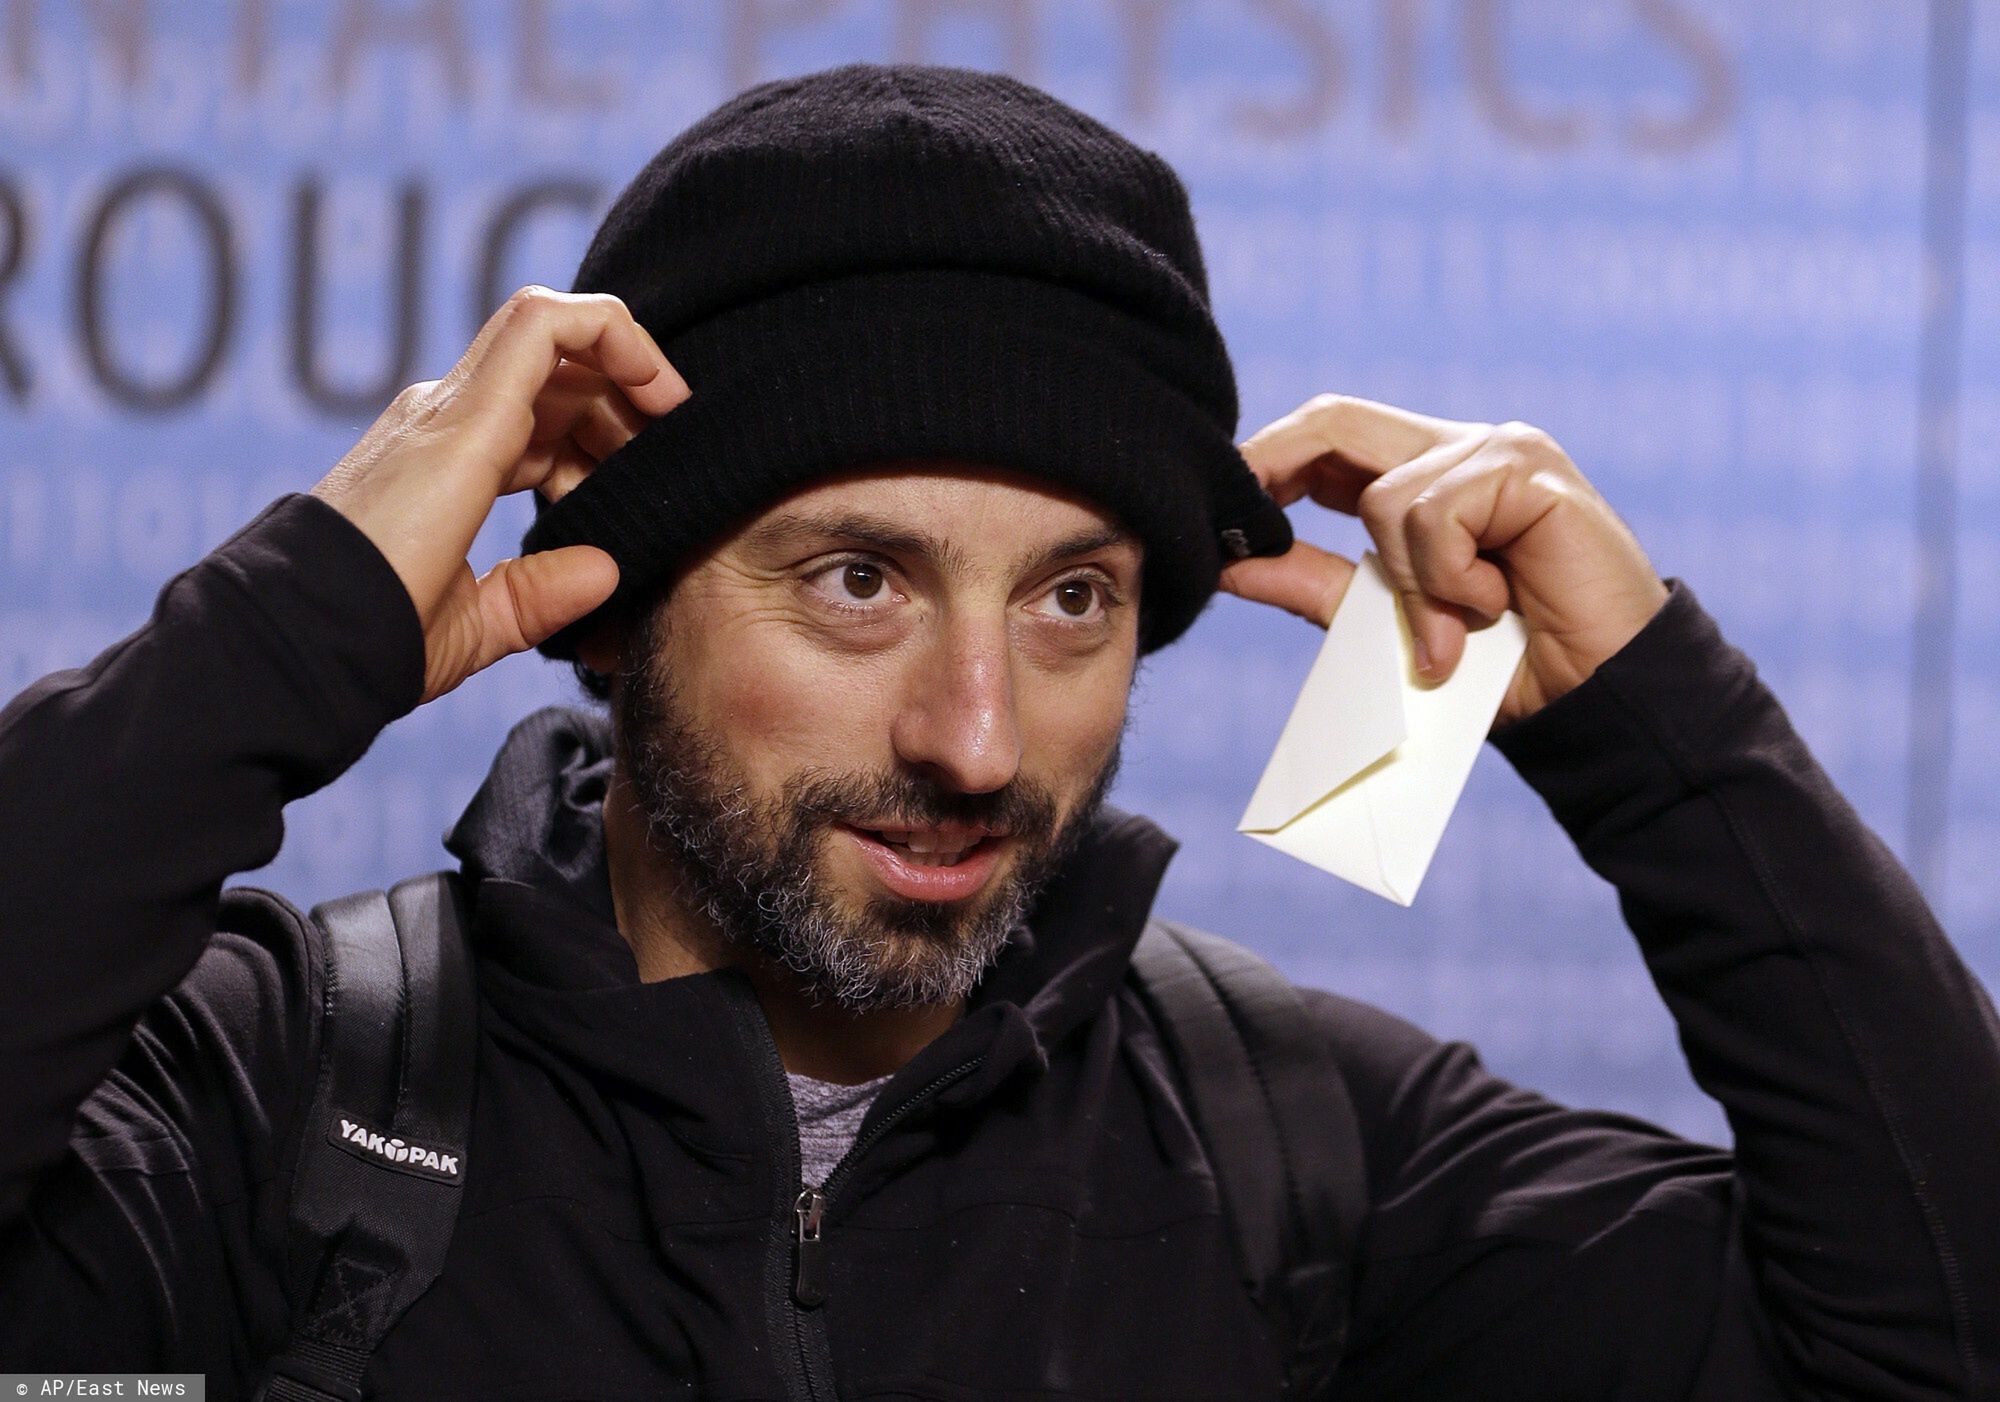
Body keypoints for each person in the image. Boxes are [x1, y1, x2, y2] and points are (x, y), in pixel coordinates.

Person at [2, 61, 1996, 1401]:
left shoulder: (1288, 1149)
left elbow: (1927, 1339)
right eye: (858, 579)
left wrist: (1649, 733)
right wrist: (295, 633)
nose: (975, 736)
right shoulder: (276, 1100)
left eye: (1072, 598)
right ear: (612, 611)